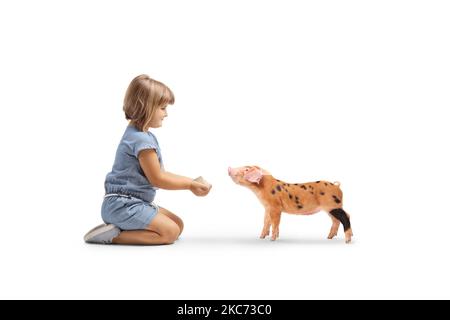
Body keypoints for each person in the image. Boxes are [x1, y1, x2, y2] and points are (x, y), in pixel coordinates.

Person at [84, 74, 211, 245]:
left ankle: (120, 227)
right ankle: (113, 236)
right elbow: (157, 179)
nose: (166, 114)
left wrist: (191, 181)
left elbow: (161, 173)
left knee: (178, 225)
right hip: (123, 206)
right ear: (146, 107)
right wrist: (189, 185)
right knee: (170, 233)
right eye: (163, 108)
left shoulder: (141, 135)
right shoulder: (141, 140)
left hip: (132, 202)